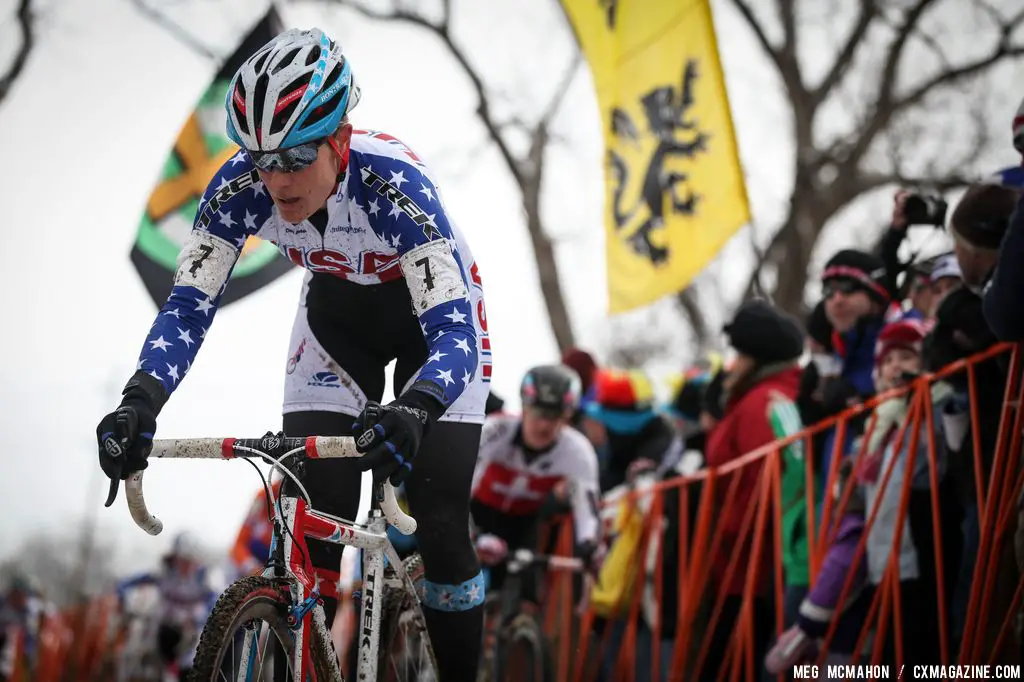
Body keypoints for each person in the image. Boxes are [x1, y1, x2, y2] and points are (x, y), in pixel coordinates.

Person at [95, 27, 490, 680]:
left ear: (340, 140)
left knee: (441, 519)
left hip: (433, 332)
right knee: (310, 524)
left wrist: (417, 408)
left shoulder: (395, 185)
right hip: (336, 330)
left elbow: (454, 334)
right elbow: (188, 305)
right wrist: (138, 402)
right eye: (259, 157)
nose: (276, 177)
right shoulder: (235, 188)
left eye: (297, 153)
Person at [471, 365, 603, 595]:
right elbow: (460, 483)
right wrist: (473, 534)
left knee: (525, 597)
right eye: (539, 413)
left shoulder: (578, 450)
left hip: (524, 523)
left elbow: (587, 506)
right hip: (477, 512)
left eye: (554, 416)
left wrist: (589, 545)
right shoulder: (495, 429)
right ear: (524, 406)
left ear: (567, 415)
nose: (544, 425)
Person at [116, 532, 217, 680]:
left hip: (189, 632)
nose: (185, 565)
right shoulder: (162, 571)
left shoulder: (202, 577)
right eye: (182, 560)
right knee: (139, 651)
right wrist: (122, 596)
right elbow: (126, 583)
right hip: (160, 628)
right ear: (174, 557)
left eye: (189, 561)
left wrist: (201, 618)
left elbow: (215, 599)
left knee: (192, 663)